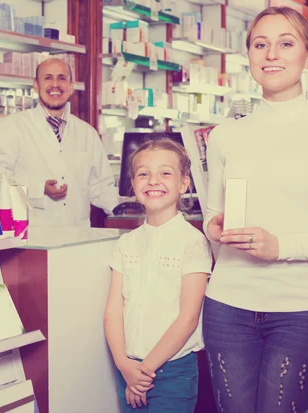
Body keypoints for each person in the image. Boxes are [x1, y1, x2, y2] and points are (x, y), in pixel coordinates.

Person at [201, 6, 308, 413]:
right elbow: (212, 214)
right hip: (227, 306)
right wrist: (216, 225)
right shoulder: (225, 135)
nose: (271, 54)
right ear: (249, 56)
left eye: (286, 43)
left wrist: (282, 246)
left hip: (301, 310)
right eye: (260, 44)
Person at [104, 137, 212, 412]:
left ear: (184, 183)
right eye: (143, 174)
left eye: (165, 173)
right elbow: (114, 310)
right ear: (133, 183)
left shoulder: (193, 242)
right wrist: (123, 364)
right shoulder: (125, 243)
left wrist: (144, 372)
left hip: (172, 373)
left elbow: (187, 319)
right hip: (128, 368)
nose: (153, 180)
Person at [0, 58, 119, 227]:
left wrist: (125, 208)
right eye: (48, 78)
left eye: (62, 78)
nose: (55, 84)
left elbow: (101, 186)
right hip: (32, 236)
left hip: (77, 236)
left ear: (71, 86)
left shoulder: (87, 133)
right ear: (36, 85)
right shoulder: (13, 126)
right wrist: (39, 188)